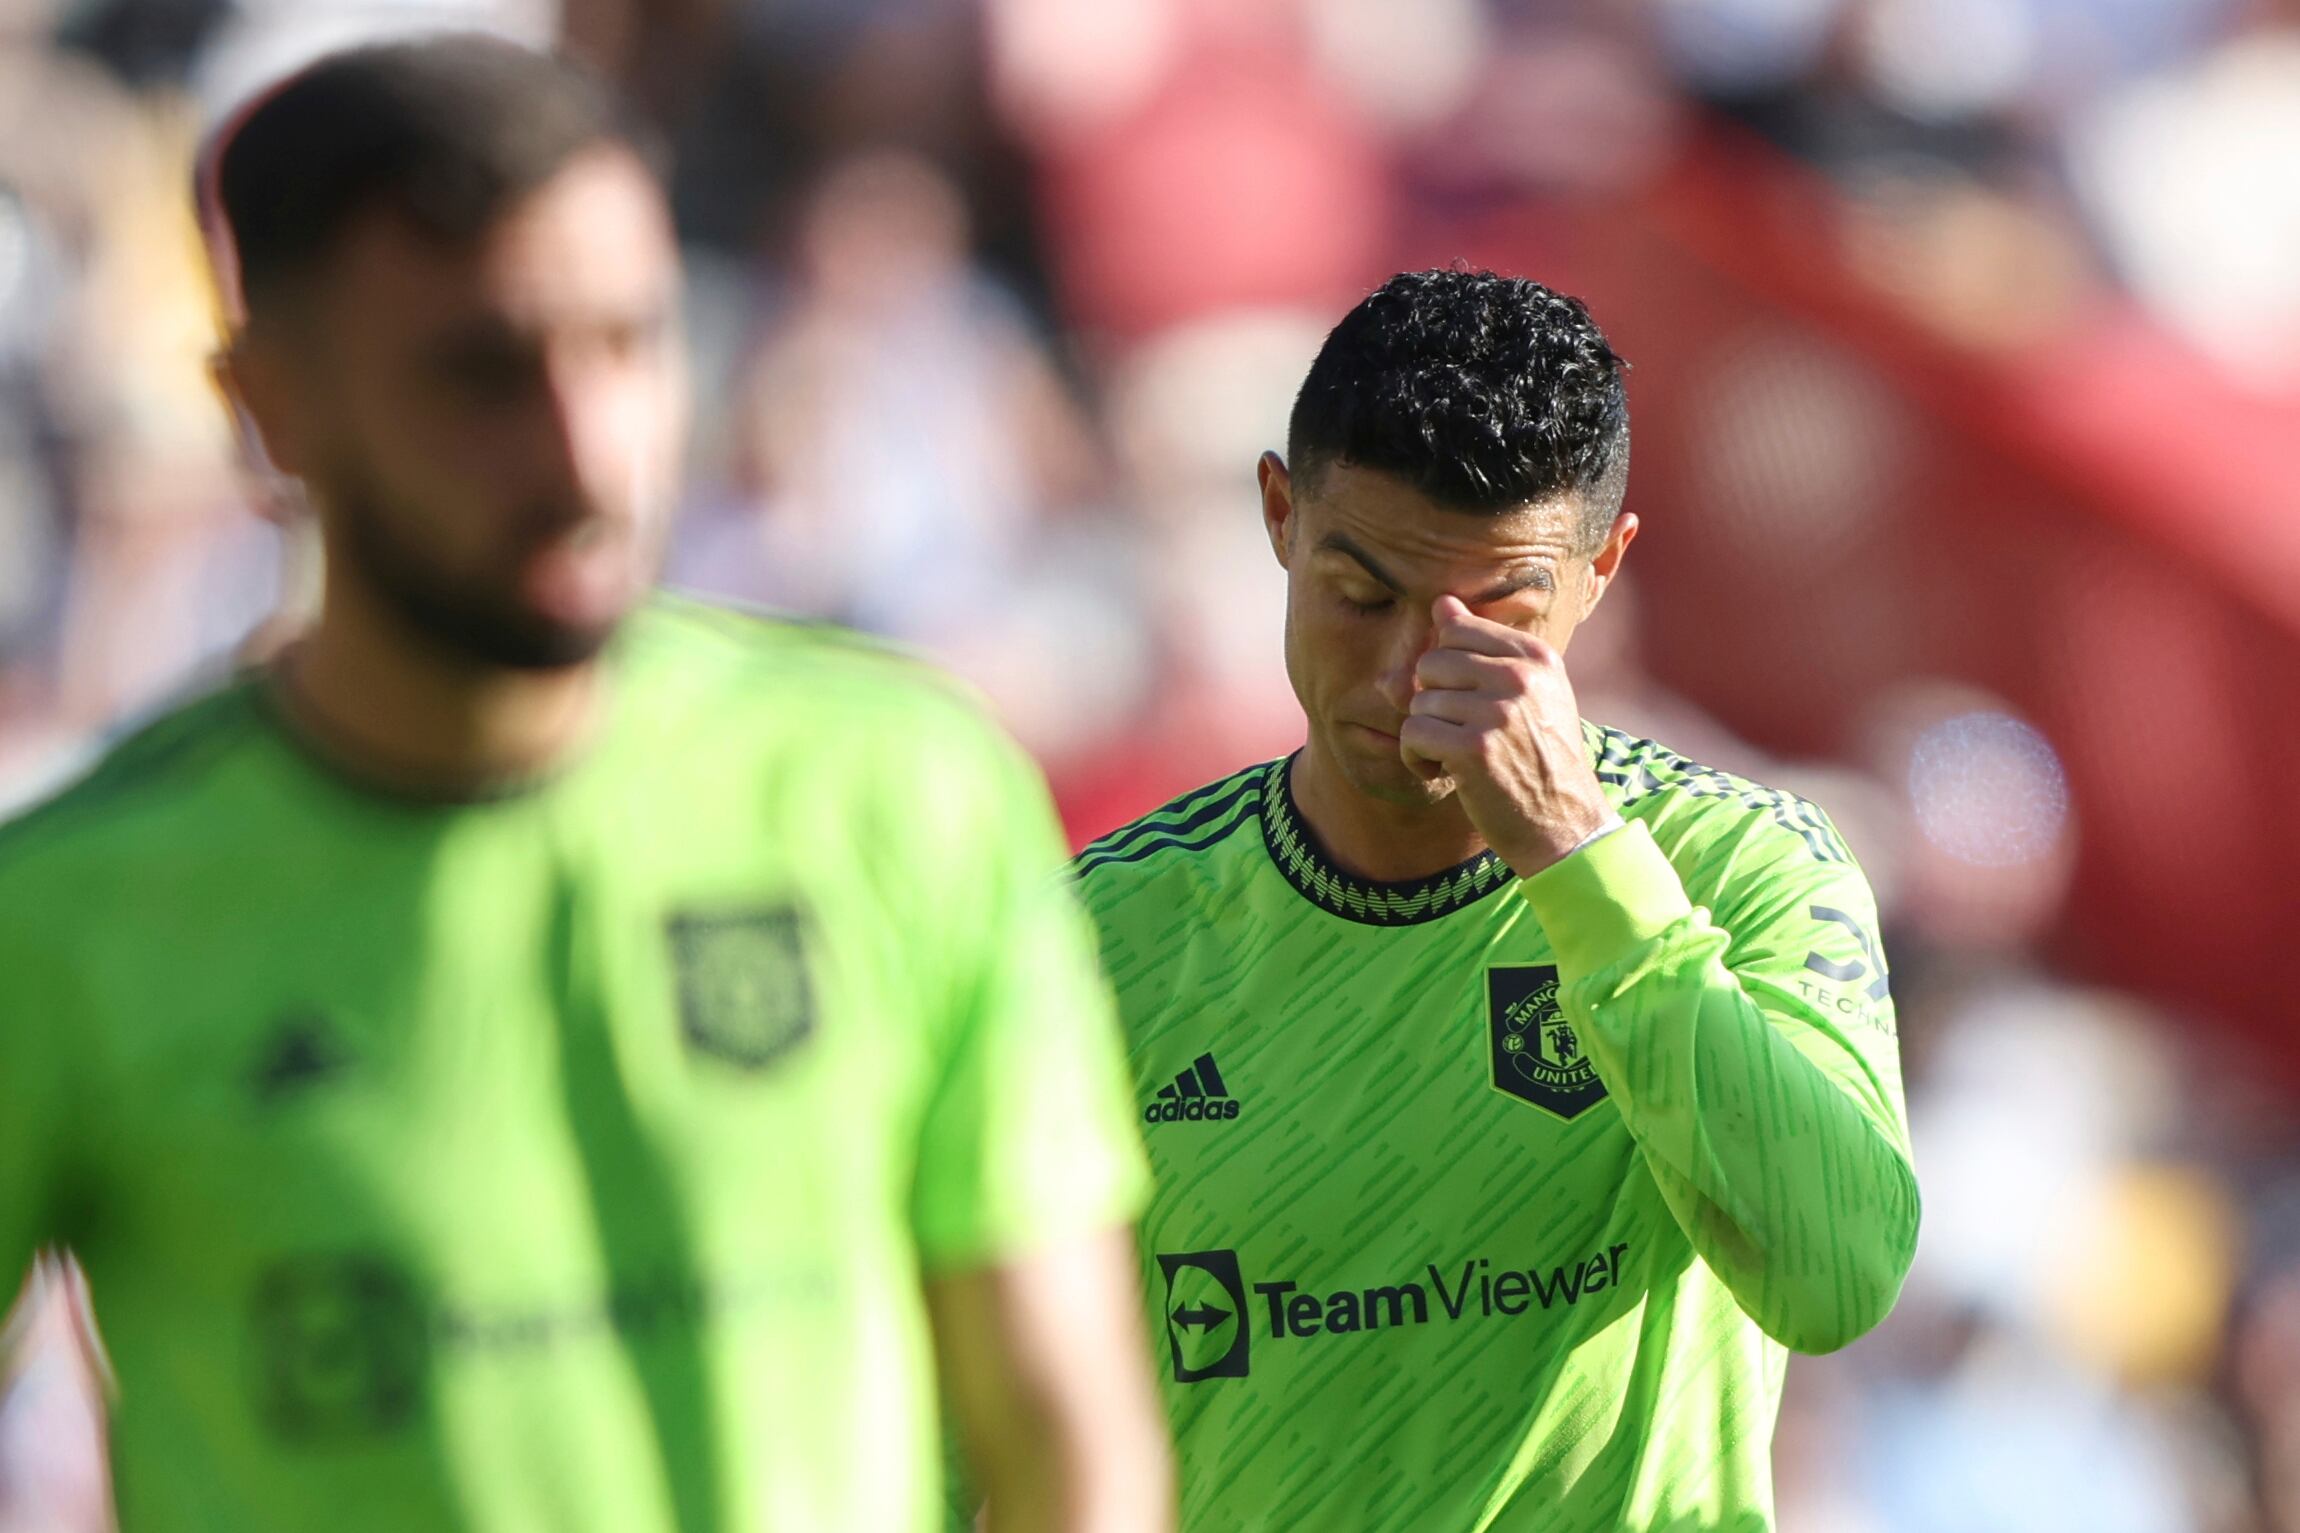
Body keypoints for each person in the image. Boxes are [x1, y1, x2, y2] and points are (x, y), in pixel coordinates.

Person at [0, 36, 1172, 1533]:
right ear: (269, 411)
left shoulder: (901, 789)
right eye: (481, 371)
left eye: (631, 344)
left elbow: (1068, 1440)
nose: (586, 450)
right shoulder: (71, 911)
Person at [1074, 269, 1920, 1530]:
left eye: (1498, 617)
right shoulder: (1099, 939)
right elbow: (947, 1427)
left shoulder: (1742, 868)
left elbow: (1833, 1276)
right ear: (1278, 516)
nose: (1415, 669)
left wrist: (1578, 857)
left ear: (1600, 572)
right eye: (1363, 596)